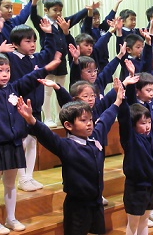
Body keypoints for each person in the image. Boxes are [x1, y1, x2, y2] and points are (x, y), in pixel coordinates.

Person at [0, 53, 60, 234]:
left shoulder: (14, 88)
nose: (4, 74)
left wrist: (49, 66)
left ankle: (11, 218)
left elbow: (31, 78)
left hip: (14, 144)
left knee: (10, 183)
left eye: (7, 70)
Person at [17, 80, 124, 235]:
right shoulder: (66, 146)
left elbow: (106, 118)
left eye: (90, 120)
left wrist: (118, 101)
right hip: (77, 207)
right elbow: (47, 136)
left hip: (97, 203)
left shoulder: (96, 138)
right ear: (68, 125)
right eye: (83, 120)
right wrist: (31, 120)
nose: (89, 124)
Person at [0, 15, 57, 192]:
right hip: (18, 108)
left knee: (33, 141)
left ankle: (29, 176)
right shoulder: (11, 59)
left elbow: (48, 54)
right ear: (16, 43)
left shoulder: (35, 59)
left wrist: (49, 35)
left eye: (34, 41)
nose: (33, 44)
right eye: (28, 41)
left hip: (34, 107)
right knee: (22, 142)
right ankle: (21, 178)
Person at [31, 0, 90, 128]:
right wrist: (34, 4)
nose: (58, 13)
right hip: (48, 61)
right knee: (47, 92)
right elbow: (33, 17)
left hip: (61, 62)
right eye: (55, 10)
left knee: (61, 90)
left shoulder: (62, 22)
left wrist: (87, 10)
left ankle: (60, 117)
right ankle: (47, 118)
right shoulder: (43, 23)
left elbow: (74, 18)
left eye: (60, 10)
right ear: (46, 10)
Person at [118, 85, 153, 235]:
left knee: (144, 223)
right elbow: (124, 120)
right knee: (133, 225)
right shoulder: (131, 139)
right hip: (135, 189)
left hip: (149, 187)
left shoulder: (150, 137)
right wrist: (122, 99)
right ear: (133, 125)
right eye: (142, 123)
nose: (147, 126)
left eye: (148, 123)